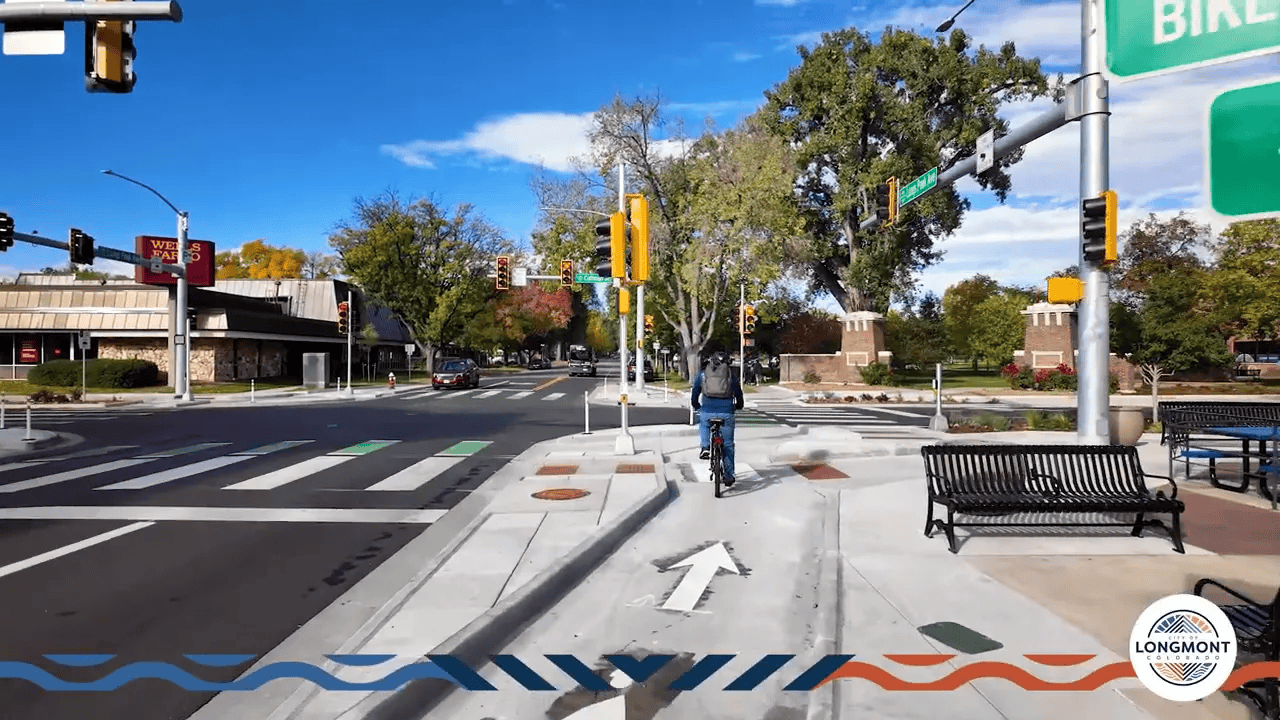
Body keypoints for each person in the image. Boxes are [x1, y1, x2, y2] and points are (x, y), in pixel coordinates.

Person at [691, 348, 744, 486]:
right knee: (728, 445)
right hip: (726, 412)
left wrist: (696, 405)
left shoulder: (703, 375)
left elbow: (695, 391)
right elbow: (738, 393)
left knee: (704, 424)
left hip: (707, 410)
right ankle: (728, 475)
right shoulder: (730, 376)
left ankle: (705, 447)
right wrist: (739, 405)